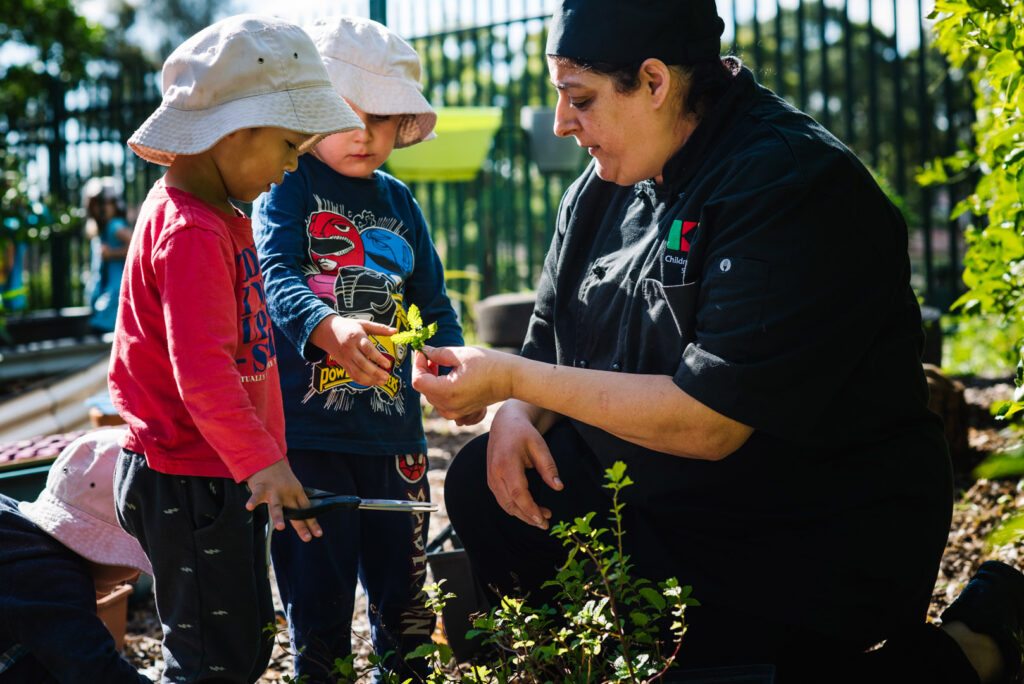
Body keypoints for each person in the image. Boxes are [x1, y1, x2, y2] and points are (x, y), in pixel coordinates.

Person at [411, 1, 1024, 683]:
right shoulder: (602, 186)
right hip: (664, 505)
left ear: (652, 82)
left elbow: (710, 423)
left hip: (804, 531)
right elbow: (549, 346)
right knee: (487, 481)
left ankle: (972, 648)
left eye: (579, 98)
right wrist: (517, 412)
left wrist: (513, 382)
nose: (562, 124)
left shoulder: (790, 181)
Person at [108, 14, 363, 684]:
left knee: (245, 645)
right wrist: (266, 464)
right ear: (237, 128)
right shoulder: (190, 231)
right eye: (287, 142)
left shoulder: (220, 217)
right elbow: (203, 376)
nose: (290, 164)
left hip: (221, 471)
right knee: (207, 662)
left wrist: (261, 461)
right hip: (189, 478)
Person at [251, 15, 461, 681]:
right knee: (320, 601)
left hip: (395, 434)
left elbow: (433, 299)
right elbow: (274, 274)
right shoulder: (289, 185)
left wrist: (453, 363)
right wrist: (327, 328)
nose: (366, 134)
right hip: (307, 432)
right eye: (345, 112)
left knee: (406, 605)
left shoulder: (402, 201)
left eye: (384, 116)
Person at [0, 428, 153, 683]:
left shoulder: (13, 525)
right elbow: (100, 675)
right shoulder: (52, 581)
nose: (136, 578)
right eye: (135, 562)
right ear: (100, 547)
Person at [82, 176, 133, 333]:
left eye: (105, 203)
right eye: (95, 203)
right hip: (104, 300)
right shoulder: (101, 230)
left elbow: (136, 245)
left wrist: (112, 253)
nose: (100, 208)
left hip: (114, 302)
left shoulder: (114, 225)